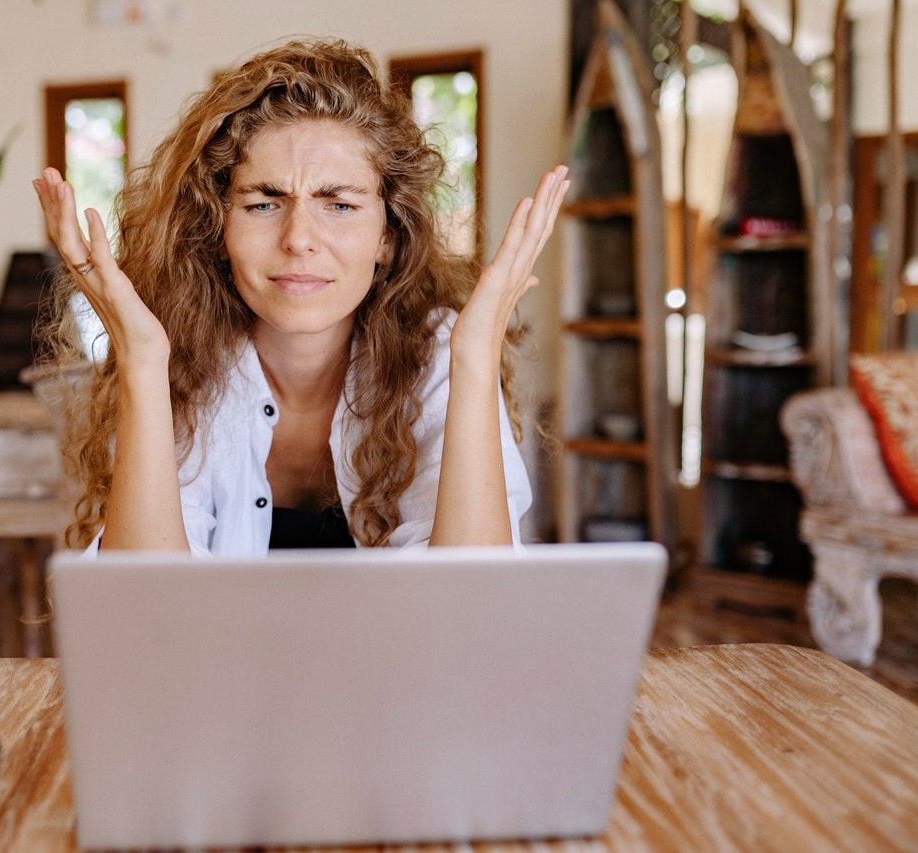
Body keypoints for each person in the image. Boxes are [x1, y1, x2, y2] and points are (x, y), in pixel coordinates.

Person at [34, 38, 568, 555]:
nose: (298, 239)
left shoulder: (436, 351)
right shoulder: (179, 358)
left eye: (338, 205)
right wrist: (144, 363)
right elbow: (145, 611)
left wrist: (475, 356)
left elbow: (471, 610)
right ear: (218, 229)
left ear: (387, 235)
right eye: (264, 204)